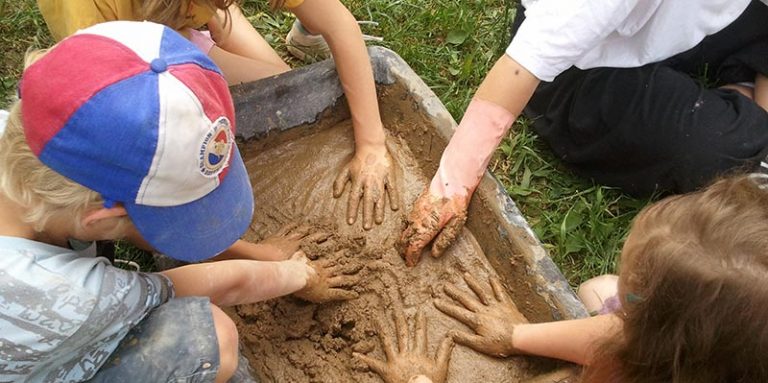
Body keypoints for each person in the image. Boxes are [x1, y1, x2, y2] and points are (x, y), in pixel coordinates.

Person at [0, 21, 358, 382]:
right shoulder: (71, 295)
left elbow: (124, 222)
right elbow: (201, 286)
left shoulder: (37, 158)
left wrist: (257, 252)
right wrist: (296, 274)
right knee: (210, 339)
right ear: (99, 218)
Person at [398, 0, 768, 265]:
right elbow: (525, 64)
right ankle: (737, 112)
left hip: (688, 24)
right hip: (580, 69)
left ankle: (741, 108)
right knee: (721, 150)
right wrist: (450, 187)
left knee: (749, 144)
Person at [37, 0, 399, 230]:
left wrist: (371, 144)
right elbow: (111, 107)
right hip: (127, 47)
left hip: (178, 15)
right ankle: (202, 28)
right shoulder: (93, 12)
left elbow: (339, 25)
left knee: (284, 87)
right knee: (213, 107)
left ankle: (219, 19)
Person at [433, 174, 768, 382]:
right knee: (599, 289)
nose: (619, 311)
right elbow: (622, 332)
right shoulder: (716, 354)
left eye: (628, 307)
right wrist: (516, 334)